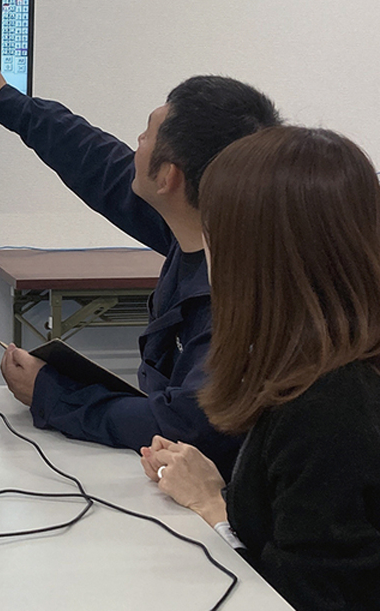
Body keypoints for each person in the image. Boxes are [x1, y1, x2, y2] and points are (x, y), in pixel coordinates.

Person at [0, 42, 280, 477]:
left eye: (147, 134)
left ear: (169, 178)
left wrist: (51, 393)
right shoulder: (207, 224)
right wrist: (4, 99)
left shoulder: (237, 295)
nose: (137, 143)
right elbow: (95, 162)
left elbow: (188, 426)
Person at [140, 126, 380, 610]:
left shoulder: (327, 407)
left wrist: (213, 509)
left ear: (253, 257)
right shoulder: (325, 366)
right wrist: (220, 488)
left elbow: (301, 598)